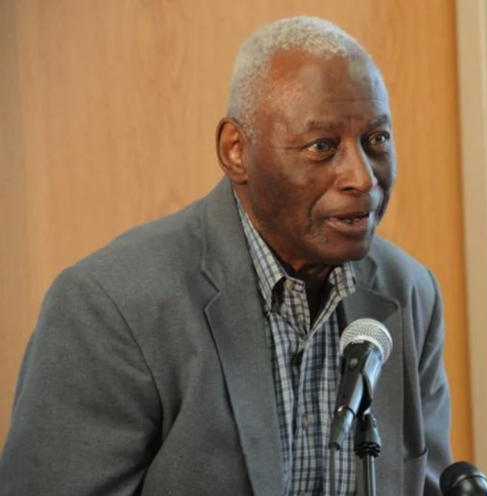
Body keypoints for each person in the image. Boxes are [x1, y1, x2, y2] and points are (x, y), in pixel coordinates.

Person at [0, 16, 453, 496]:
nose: (361, 178)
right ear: (235, 150)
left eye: (376, 140)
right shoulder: (112, 306)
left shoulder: (408, 292)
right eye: (322, 146)